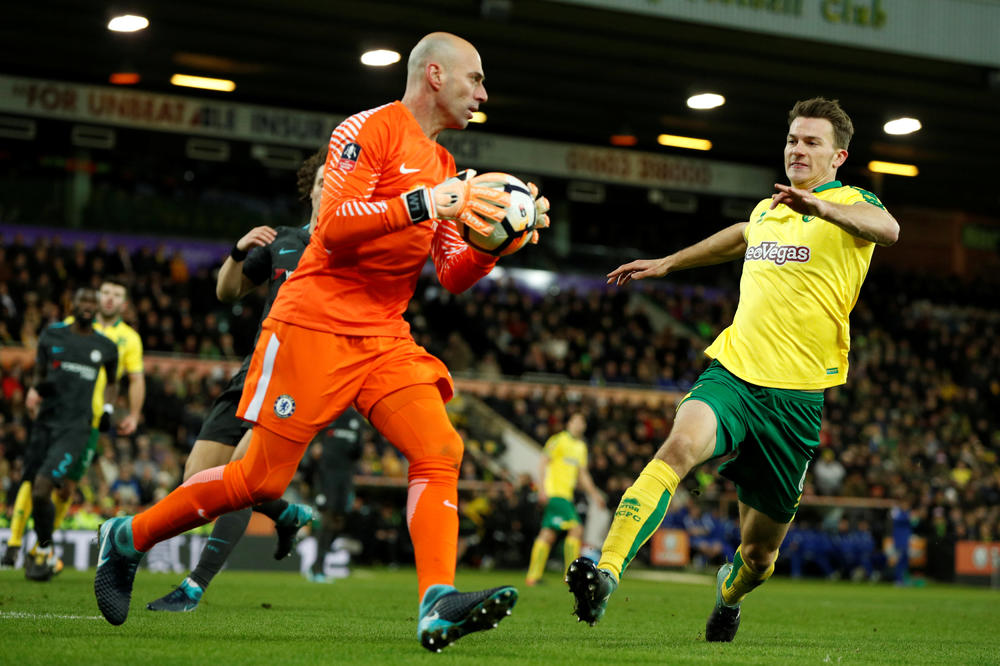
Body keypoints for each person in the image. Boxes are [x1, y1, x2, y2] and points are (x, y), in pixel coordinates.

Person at [94, 32, 550, 652]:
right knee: (258, 482)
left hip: (384, 335)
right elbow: (331, 228)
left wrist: (498, 245)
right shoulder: (368, 130)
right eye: (476, 79)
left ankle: (436, 602)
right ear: (436, 75)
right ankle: (126, 537)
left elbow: (451, 271)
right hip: (312, 323)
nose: (484, 94)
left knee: (440, 445)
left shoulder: (445, 167)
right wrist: (423, 202)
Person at [567, 97, 899, 642]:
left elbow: (889, 230)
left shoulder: (852, 204)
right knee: (676, 449)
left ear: (838, 156)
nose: (798, 149)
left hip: (796, 401)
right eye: (793, 139)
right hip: (734, 373)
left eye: (812, 142)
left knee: (759, 554)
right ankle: (605, 574)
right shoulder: (770, 209)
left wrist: (823, 210)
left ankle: (729, 595)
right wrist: (670, 261)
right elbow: (743, 234)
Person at [145, 152, 325, 612]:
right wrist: (237, 250)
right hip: (255, 368)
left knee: (240, 480)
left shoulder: (352, 249)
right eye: (325, 180)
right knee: (197, 481)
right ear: (311, 188)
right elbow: (227, 292)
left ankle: (193, 587)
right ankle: (284, 512)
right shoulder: (283, 240)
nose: (331, 188)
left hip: (299, 379)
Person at [3, 279, 144, 568]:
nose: (106, 300)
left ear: (123, 304)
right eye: (104, 292)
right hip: (52, 418)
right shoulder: (63, 330)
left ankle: (43, 545)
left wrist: (131, 412)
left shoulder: (126, 339)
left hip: (88, 424)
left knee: (66, 488)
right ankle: (15, 543)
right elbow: (43, 364)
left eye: (115, 295)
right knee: (35, 479)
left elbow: (133, 378)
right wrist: (34, 390)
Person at [22, 288, 119, 580]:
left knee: (42, 487)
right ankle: (45, 550)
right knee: (33, 489)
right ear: (72, 305)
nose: (88, 306)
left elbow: (113, 381)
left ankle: (45, 550)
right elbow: (39, 373)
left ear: (98, 307)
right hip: (45, 423)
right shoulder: (53, 335)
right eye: (83, 301)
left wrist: (109, 409)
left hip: (76, 429)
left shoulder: (106, 347)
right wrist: (35, 391)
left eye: (93, 302)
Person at [525, 412, 605, 586]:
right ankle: (570, 576)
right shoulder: (558, 440)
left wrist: (594, 494)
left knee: (548, 534)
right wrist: (542, 489)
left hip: (565, 495)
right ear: (569, 423)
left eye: (582, 422)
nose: (579, 425)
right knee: (576, 529)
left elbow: (582, 475)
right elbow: (543, 462)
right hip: (555, 493)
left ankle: (533, 576)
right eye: (576, 421)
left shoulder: (581, 448)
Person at [303, 408, 365, 583]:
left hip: (345, 476)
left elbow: (359, 449)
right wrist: (313, 451)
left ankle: (318, 563)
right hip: (327, 476)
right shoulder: (329, 411)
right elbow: (311, 438)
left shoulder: (355, 418)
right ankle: (317, 568)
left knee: (339, 519)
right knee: (327, 517)